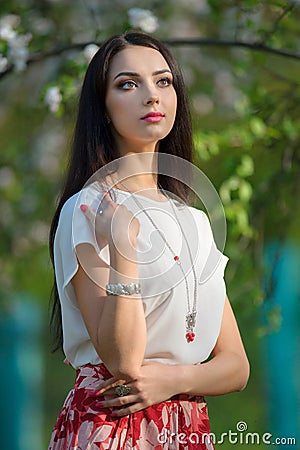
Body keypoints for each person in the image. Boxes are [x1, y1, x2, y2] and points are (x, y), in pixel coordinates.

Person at [48, 31, 250, 450]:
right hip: (112, 424)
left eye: (163, 81)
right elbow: (121, 361)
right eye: (127, 84)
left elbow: (235, 366)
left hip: (186, 427)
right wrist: (124, 247)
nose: (151, 96)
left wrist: (175, 378)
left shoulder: (194, 220)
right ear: (102, 108)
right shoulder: (87, 210)